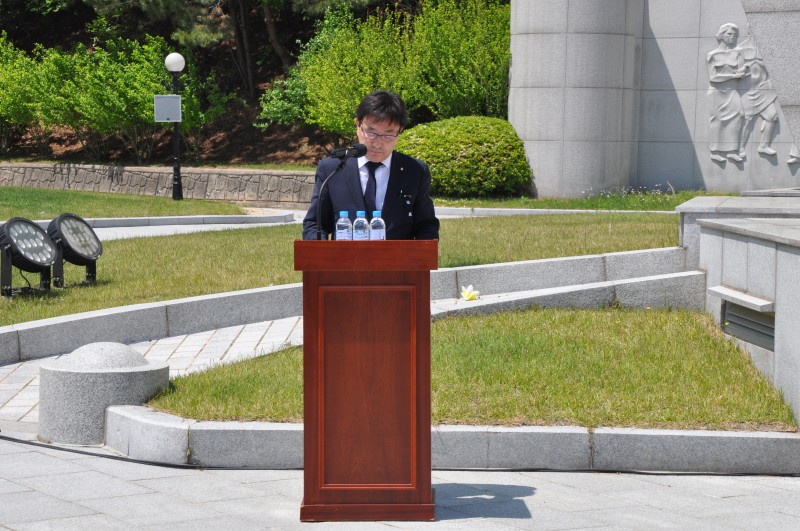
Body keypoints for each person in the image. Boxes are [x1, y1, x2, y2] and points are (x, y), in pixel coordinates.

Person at [302, 90, 439, 240]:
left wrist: (423, 250)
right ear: (358, 125)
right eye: (371, 133)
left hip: (397, 255)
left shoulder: (415, 171)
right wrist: (322, 251)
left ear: (399, 132)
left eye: (387, 135)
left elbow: (426, 225)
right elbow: (315, 224)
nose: (378, 143)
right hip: (345, 255)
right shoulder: (332, 169)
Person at [707, 23, 749, 163]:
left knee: (739, 116)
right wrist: (733, 76)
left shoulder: (738, 53)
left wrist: (743, 71)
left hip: (732, 91)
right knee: (717, 119)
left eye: (735, 35)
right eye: (729, 34)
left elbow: (741, 71)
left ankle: (731, 151)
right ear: (721, 35)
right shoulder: (712, 55)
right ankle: (714, 151)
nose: (732, 37)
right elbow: (713, 78)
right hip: (717, 92)